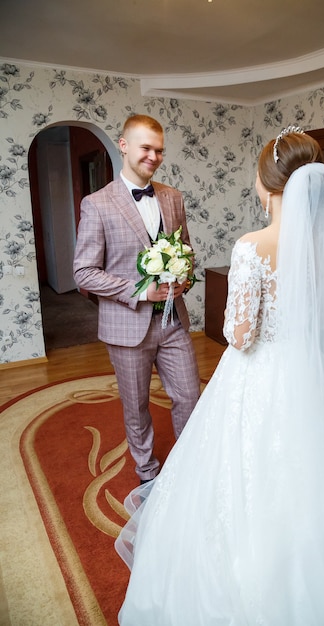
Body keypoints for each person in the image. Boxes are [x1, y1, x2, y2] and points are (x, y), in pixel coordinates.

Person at [115, 126, 324, 625]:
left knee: (242, 470)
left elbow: (239, 334)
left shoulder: (251, 246)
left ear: (268, 183)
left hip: (257, 375)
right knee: (320, 472)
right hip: (308, 376)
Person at [73, 114, 200, 484]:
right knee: (137, 406)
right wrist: (140, 291)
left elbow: (186, 251)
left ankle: (190, 467)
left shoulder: (173, 198)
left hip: (172, 321)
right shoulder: (96, 204)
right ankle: (147, 471)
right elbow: (83, 272)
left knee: (190, 396)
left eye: (160, 150)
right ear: (124, 145)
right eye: (146, 148)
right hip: (127, 327)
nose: (154, 157)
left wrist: (184, 279)